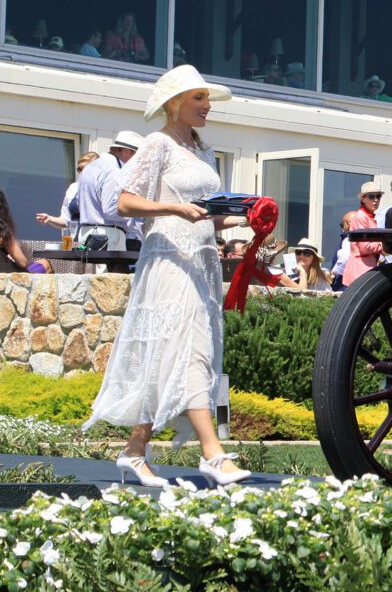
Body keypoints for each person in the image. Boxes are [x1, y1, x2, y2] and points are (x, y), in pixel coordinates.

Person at [83, 64, 251, 488]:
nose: (207, 106)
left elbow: (206, 215)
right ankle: (212, 453)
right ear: (175, 103)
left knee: (172, 354)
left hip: (201, 261)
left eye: (207, 99)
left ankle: (134, 452)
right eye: (199, 98)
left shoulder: (203, 149)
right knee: (189, 351)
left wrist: (247, 222)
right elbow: (121, 202)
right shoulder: (157, 144)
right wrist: (173, 208)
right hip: (168, 260)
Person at [75, 131, 144, 249]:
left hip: (86, 234)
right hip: (107, 236)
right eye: (137, 156)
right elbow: (111, 211)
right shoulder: (114, 171)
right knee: (112, 268)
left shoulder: (89, 168)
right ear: (126, 151)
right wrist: (137, 210)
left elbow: (79, 203)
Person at [36, 151, 100, 230]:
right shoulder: (74, 188)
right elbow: (65, 220)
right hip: (76, 238)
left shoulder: (102, 187)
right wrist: (49, 219)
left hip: (96, 236)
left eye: (85, 168)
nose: (82, 172)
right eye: (79, 169)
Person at [343, 182, 384, 286]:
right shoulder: (361, 217)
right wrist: (383, 246)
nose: (376, 200)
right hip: (360, 269)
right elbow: (365, 247)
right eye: (371, 196)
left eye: (378, 196)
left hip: (363, 268)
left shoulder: (367, 216)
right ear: (363, 199)